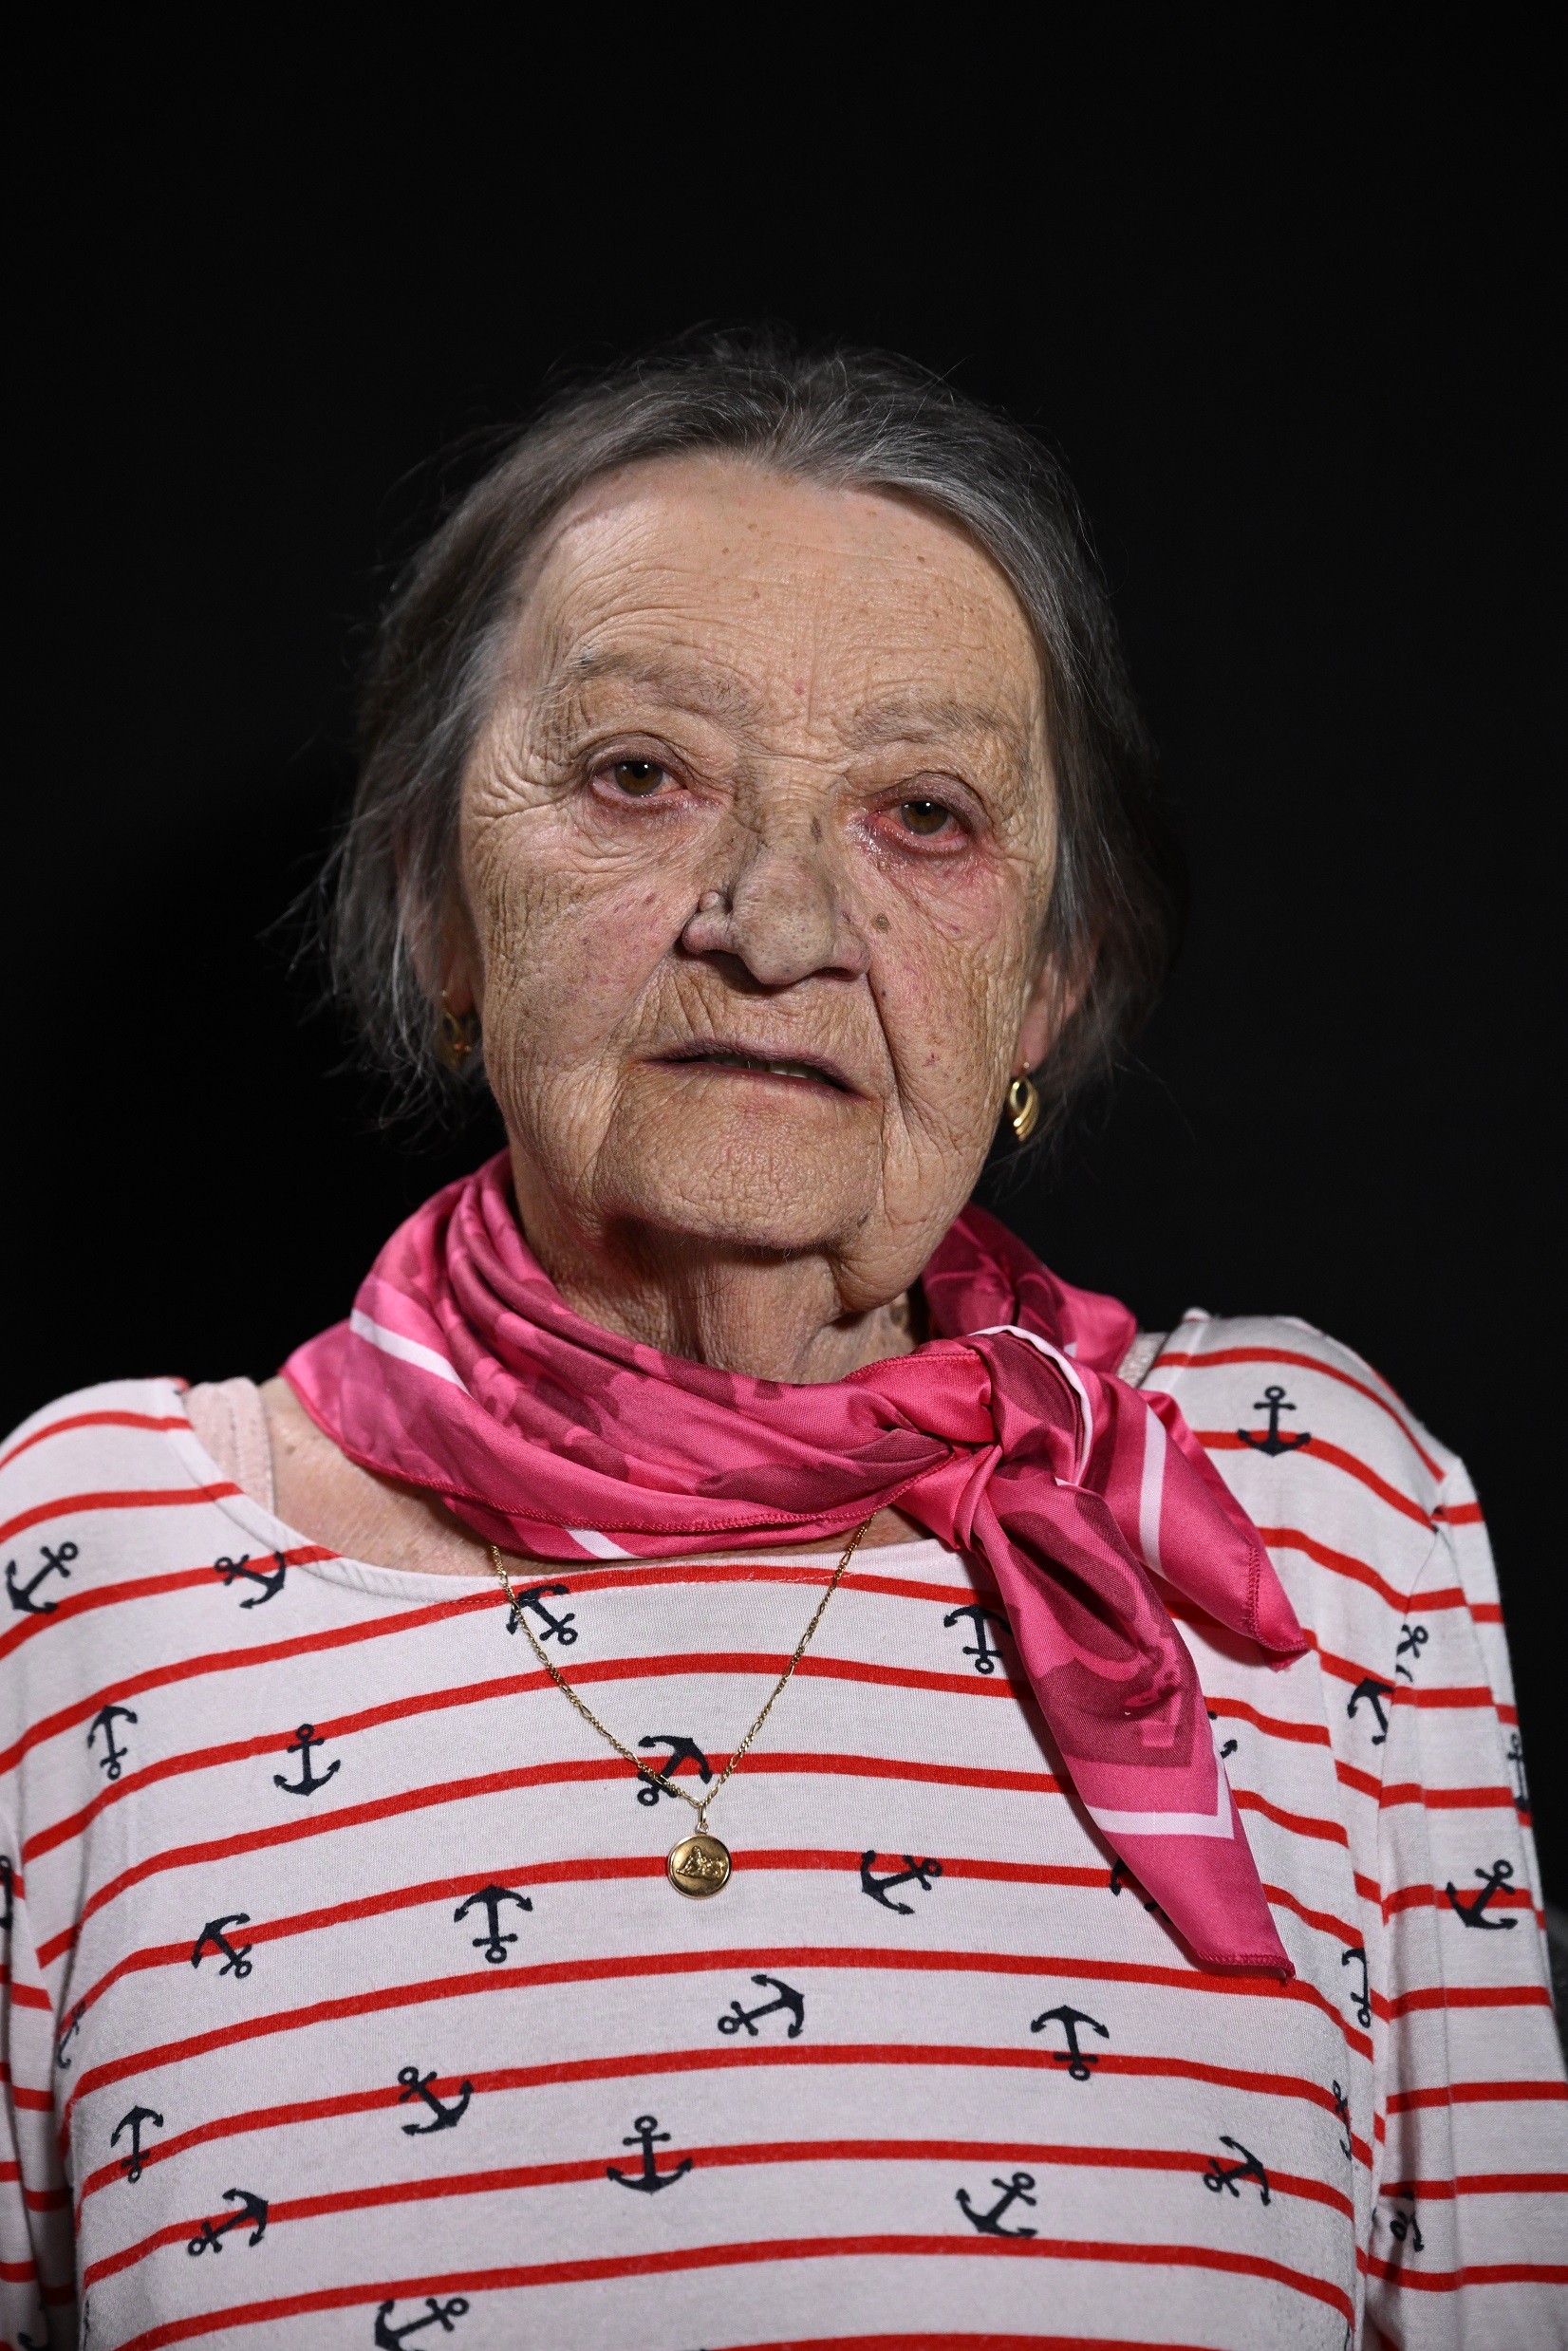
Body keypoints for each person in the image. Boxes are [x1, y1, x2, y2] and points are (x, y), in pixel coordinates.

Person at [3, 341, 1562, 2351]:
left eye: (922, 813)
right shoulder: (82, 1569)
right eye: (640, 776)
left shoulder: (1309, 1512)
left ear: (1045, 987)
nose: (776, 919)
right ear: (435, 910)